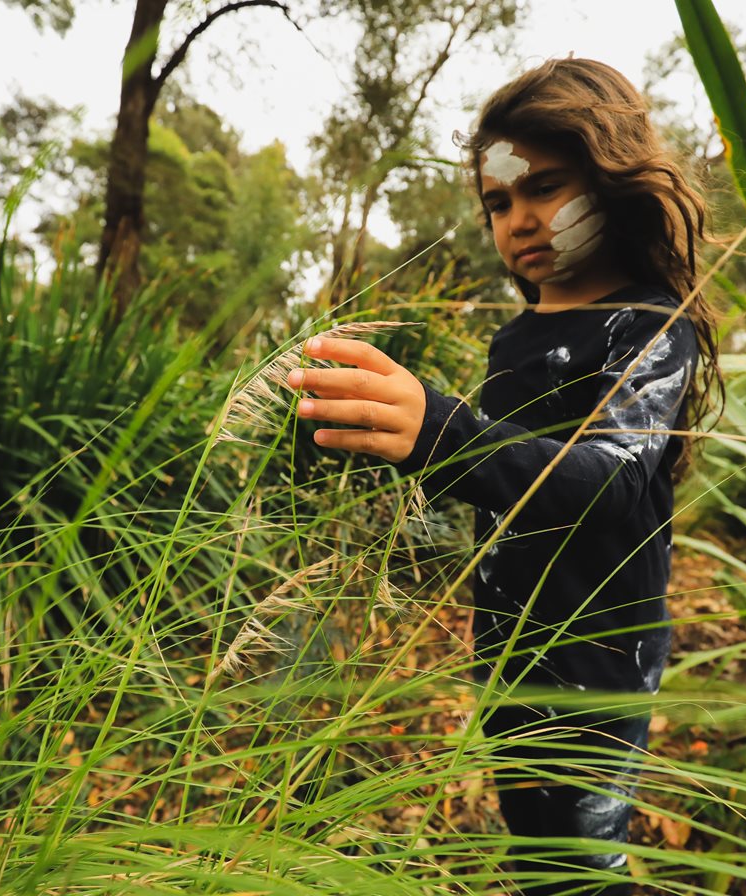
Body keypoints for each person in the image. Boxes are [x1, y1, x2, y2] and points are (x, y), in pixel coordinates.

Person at [285, 58, 719, 895]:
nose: (520, 220)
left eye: (545, 187)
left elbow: (612, 478)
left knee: (585, 859)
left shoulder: (648, 325)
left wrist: (436, 430)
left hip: (599, 655)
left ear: (611, 177)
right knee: (531, 841)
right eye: (498, 202)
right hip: (509, 642)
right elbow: (491, 474)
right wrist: (372, 439)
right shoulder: (513, 339)